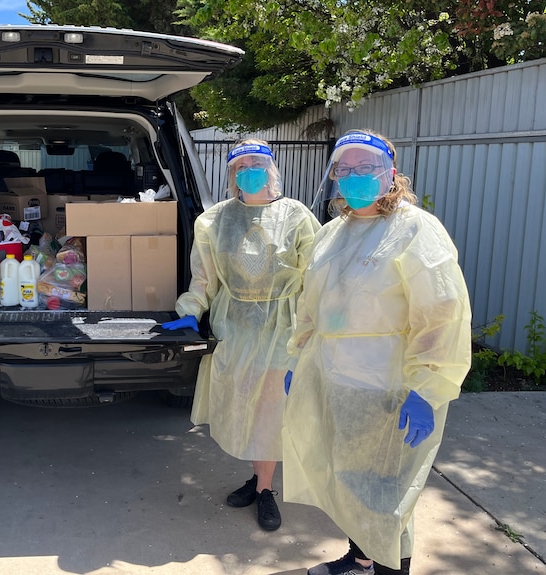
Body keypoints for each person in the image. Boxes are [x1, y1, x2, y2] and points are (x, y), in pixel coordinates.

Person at [282, 130, 472, 574]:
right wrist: (298, 357)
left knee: (387, 498)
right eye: (344, 169)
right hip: (337, 382)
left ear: (391, 173)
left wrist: (427, 385)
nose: (354, 177)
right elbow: (309, 307)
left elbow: (442, 313)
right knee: (351, 485)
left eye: (366, 168)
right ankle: (360, 558)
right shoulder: (332, 234)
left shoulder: (415, 229)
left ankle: (388, 569)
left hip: (390, 388)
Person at [162, 139, 321, 531]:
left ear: (272, 168)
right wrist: (189, 310)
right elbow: (204, 277)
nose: (248, 170)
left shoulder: (297, 217)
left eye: (256, 163)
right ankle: (257, 478)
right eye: (240, 165)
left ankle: (265, 491)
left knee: (270, 411)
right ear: (231, 175)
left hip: (282, 328)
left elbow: (317, 279)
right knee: (246, 409)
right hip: (234, 327)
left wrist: (310, 333)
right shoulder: (214, 220)